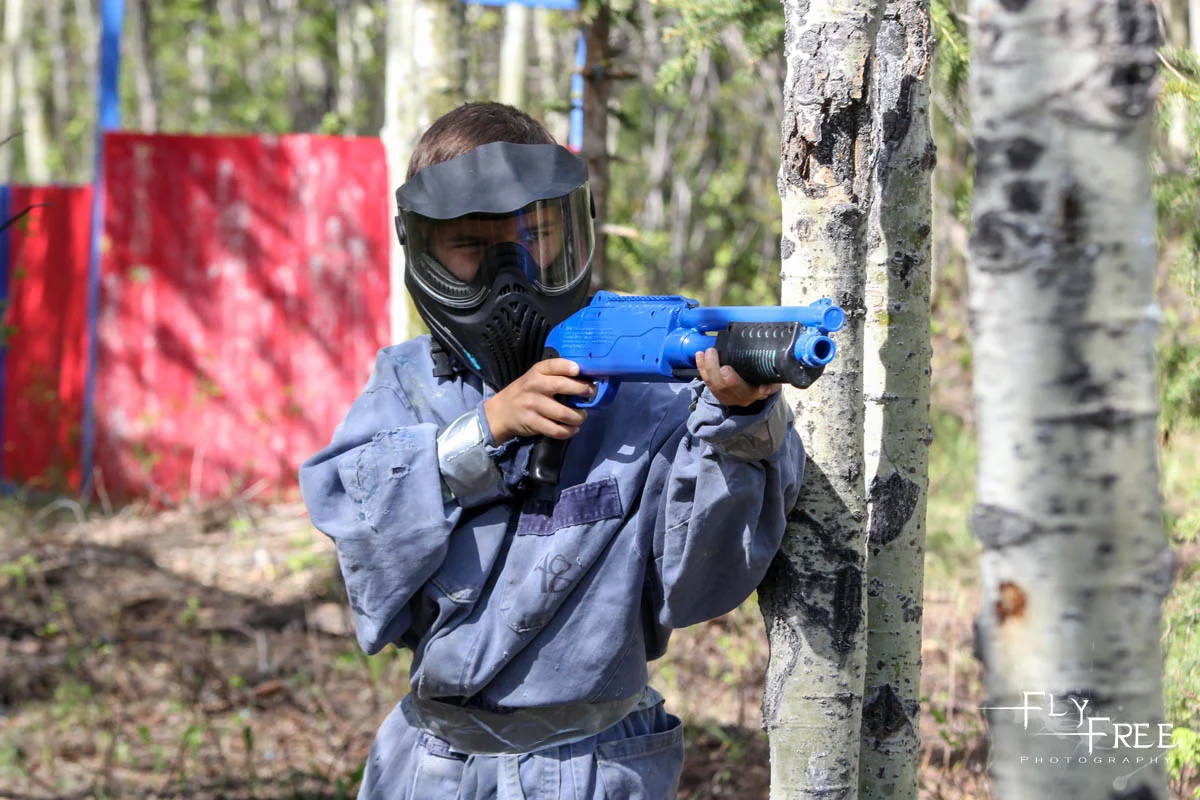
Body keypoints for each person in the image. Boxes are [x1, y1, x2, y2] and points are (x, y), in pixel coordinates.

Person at [299, 102, 804, 800]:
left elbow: (703, 579)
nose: (511, 274)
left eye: (534, 236)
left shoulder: (644, 385)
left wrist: (738, 419)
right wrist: (487, 427)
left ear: (572, 231)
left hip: (598, 765)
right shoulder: (409, 383)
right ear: (421, 249)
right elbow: (354, 512)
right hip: (442, 765)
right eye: (471, 248)